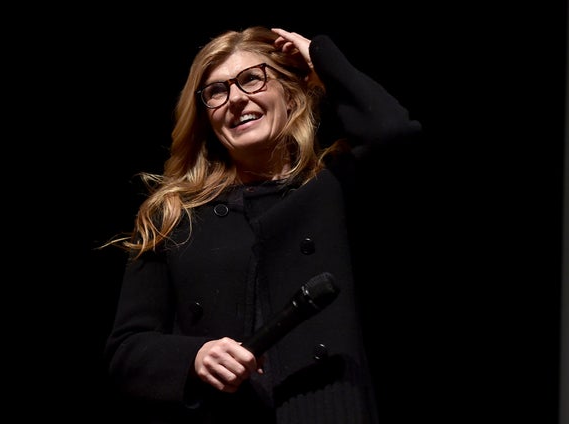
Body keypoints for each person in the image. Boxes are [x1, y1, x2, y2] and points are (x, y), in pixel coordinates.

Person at [103, 26, 421, 424]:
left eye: (252, 78)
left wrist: (320, 56)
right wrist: (195, 357)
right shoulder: (173, 215)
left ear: (290, 92)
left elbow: (393, 131)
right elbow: (126, 350)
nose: (236, 98)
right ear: (205, 115)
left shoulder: (336, 188)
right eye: (216, 91)